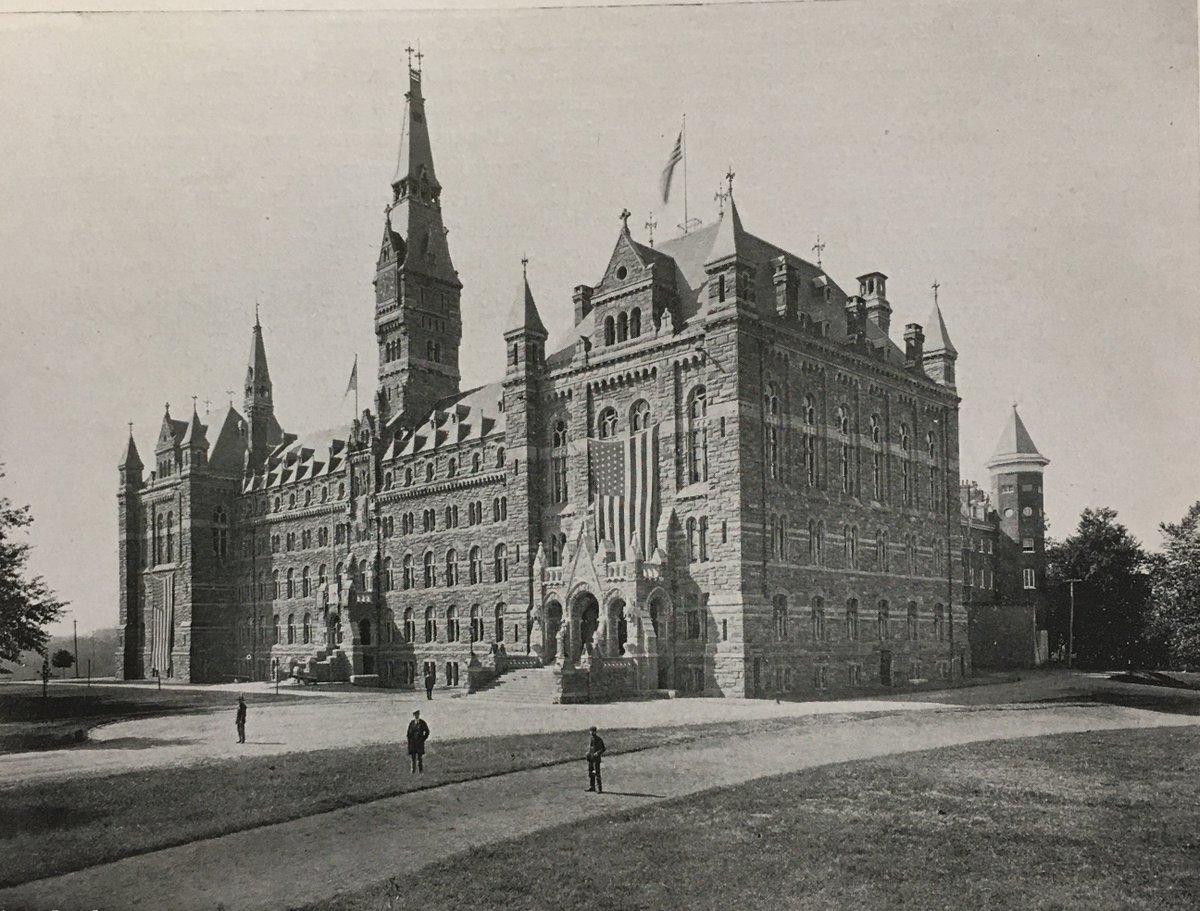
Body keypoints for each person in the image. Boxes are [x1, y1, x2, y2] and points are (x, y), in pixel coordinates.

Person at [586, 725, 606, 793]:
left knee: (597, 773)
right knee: (591, 772)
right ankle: (592, 787)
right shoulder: (590, 739)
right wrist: (588, 753)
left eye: (593, 731)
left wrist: (597, 753)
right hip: (591, 758)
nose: (591, 732)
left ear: (595, 732)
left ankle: (599, 788)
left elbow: (603, 749)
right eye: (590, 731)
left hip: (596, 759)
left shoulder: (599, 739)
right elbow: (590, 748)